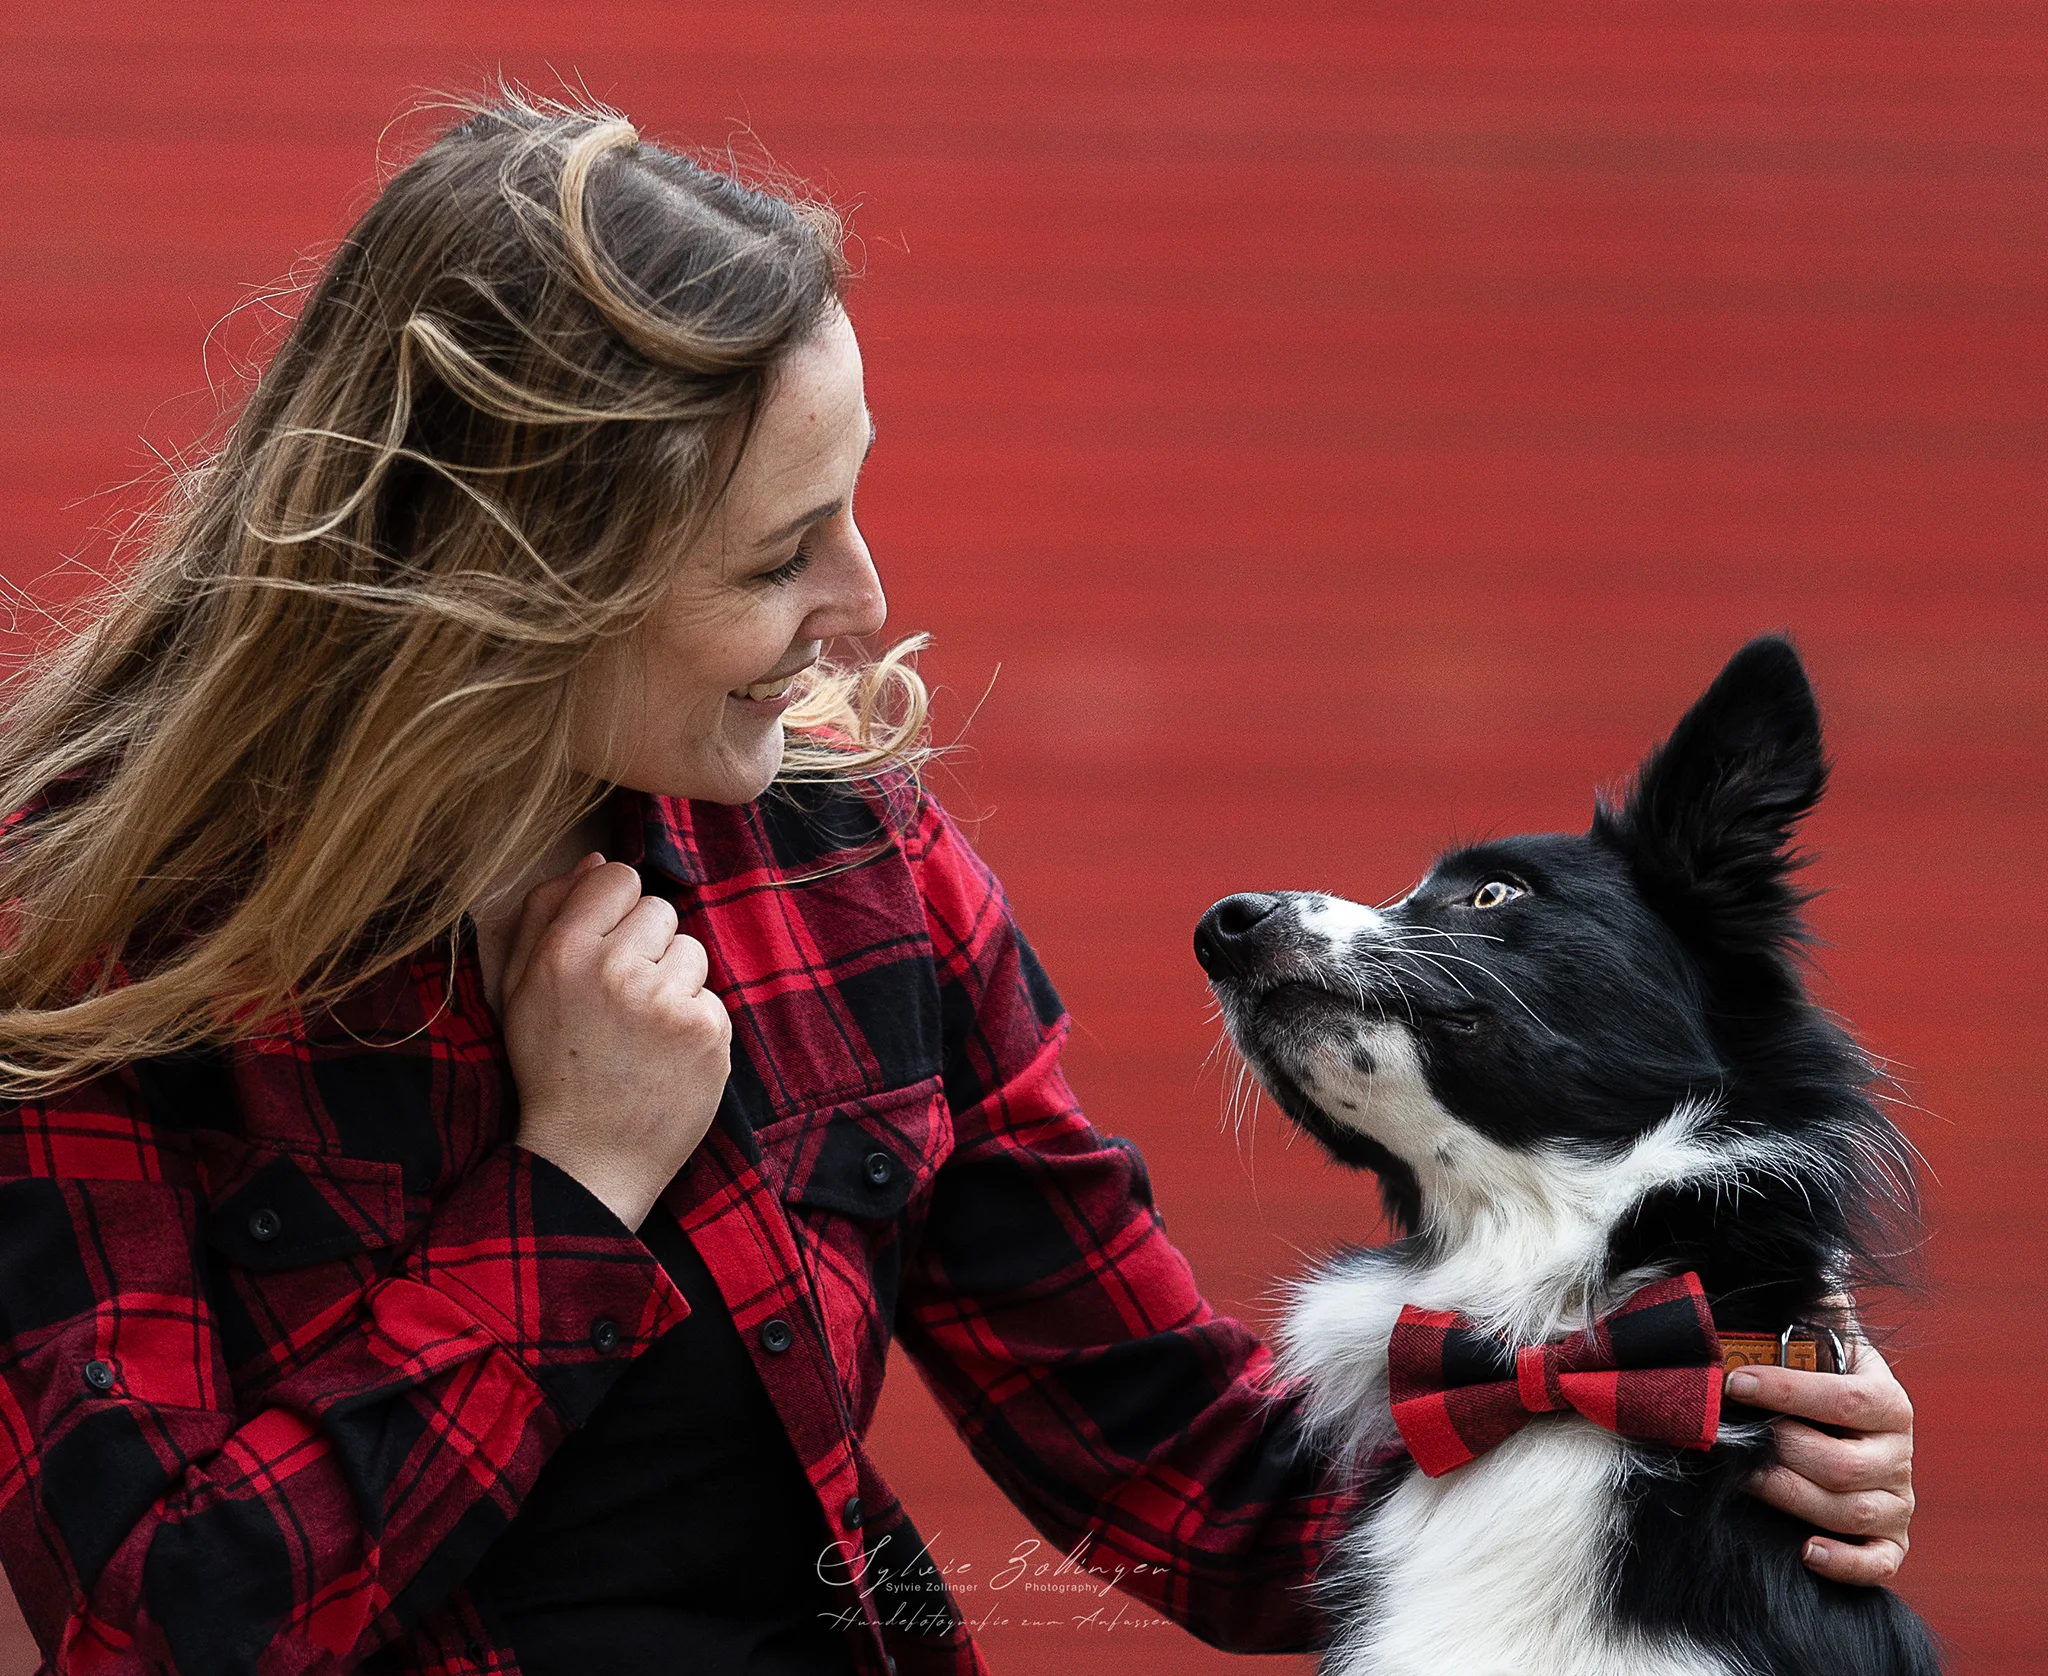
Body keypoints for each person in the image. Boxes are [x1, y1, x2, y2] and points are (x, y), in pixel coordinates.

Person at [0, 89, 1915, 1676]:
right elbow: (170, 1615)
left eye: (857, 499)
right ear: (515, 579)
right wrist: (574, 1183)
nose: (864, 607)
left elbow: (1196, 1482)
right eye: (777, 557)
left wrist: (1693, 1417)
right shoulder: (91, 944)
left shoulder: (855, 871)